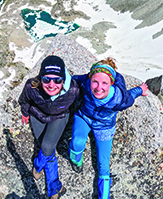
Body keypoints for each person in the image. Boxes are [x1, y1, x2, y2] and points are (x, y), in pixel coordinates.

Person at [68, 57, 148, 199]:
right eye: (95, 82)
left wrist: (139, 89)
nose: (99, 88)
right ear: (90, 78)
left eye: (105, 83)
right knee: (76, 143)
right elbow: (73, 79)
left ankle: (104, 196)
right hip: (84, 118)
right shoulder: (86, 82)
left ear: (111, 83)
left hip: (104, 127)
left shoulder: (119, 99)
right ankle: (76, 160)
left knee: (103, 165)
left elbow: (130, 96)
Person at [19, 55, 80, 199]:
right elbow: (24, 99)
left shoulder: (73, 90)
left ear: (63, 80)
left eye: (57, 80)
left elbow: (86, 99)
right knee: (48, 149)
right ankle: (54, 186)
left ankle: (38, 165)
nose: (51, 84)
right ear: (41, 79)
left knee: (46, 147)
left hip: (59, 117)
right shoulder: (31, 86)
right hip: (37, 115)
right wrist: (25, 112)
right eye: (46, 79)